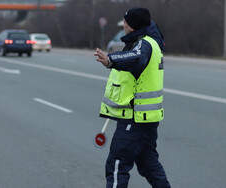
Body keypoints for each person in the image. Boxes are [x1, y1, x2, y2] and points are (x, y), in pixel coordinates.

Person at [94, 7, 171, 188]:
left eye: (126, 22)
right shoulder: (145, 41)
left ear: (134, 25)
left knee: (117, 165)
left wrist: (110, 60)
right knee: (148, 164)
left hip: (135, 117)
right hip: (144, 118)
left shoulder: (144, 44)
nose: (124, 24)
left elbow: (136, 58)